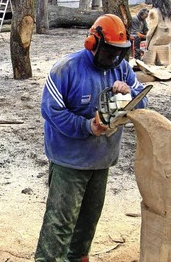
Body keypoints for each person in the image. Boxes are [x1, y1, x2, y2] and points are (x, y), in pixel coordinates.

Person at [35, 14, 148, 262]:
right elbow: (51, 111)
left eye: (119, 53)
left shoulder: (122, 68)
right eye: (109, 52)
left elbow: (143, 101)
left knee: (88, 222)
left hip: (101, 159)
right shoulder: (66, 69)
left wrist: (128, 94)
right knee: (60, 223)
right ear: (93, 43)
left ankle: (78, 258)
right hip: (69, 161)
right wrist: (87, 126)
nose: (114, 59)